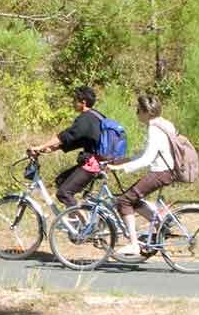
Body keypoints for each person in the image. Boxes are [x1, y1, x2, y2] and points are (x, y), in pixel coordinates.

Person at [110, 93, 178, 260]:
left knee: (124, 201)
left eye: (138, 110)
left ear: (147, 112)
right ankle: (161, 226)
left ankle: (134, 245)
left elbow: (147, 159)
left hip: (160, 172)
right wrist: (122, 161)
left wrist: (123, 168)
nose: (136, 113)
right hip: (167, 170)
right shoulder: (164, 123)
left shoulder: (154, 129)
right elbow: (147, 153)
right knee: (134, 199)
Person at [27, 85, 103, 207]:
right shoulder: (95, 116)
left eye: (74, 100)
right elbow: (76, 140)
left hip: (93, 164)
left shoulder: (85, 119)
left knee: (63, 193)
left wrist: (40, 146)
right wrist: (52, 149)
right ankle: (73, 222)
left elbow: (65, 135)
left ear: (83, 102)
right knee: (61, 181)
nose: (72, 103)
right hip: (97, 161)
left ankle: (82, 223)